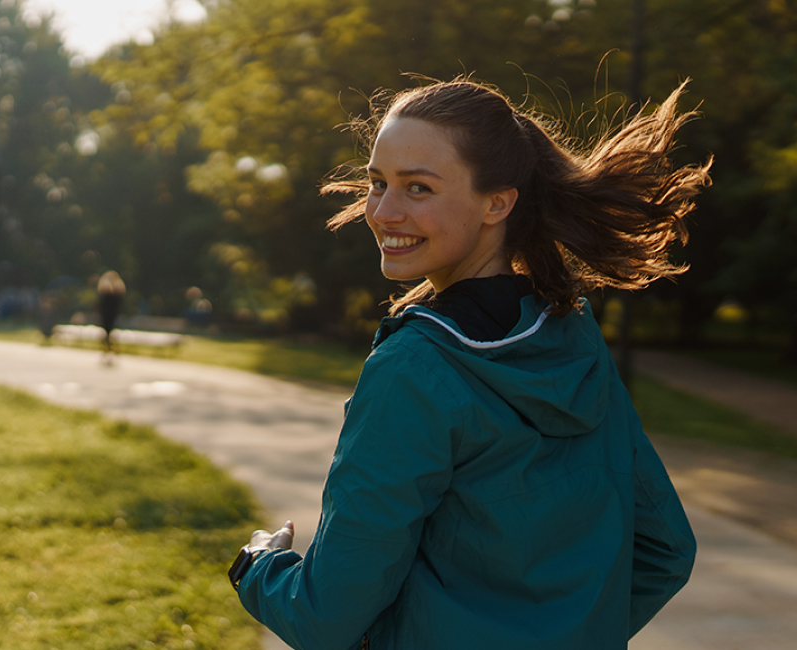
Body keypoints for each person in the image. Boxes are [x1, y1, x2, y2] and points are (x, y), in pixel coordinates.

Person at [227, 78, 710, 650]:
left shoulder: (412, 368)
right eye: (378, 183)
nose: (383, 211)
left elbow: (326, 616)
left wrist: (255, 566)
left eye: (419, 189)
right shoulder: (572, 336)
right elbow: (666, 551)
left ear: (497, 202)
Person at [96, 270, 126, 356]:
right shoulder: (106, 290)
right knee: (108, 330)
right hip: (108, 314)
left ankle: (110, 346)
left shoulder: (115, 290)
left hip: (111, 314)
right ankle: (108, 346)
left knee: (110, 330)